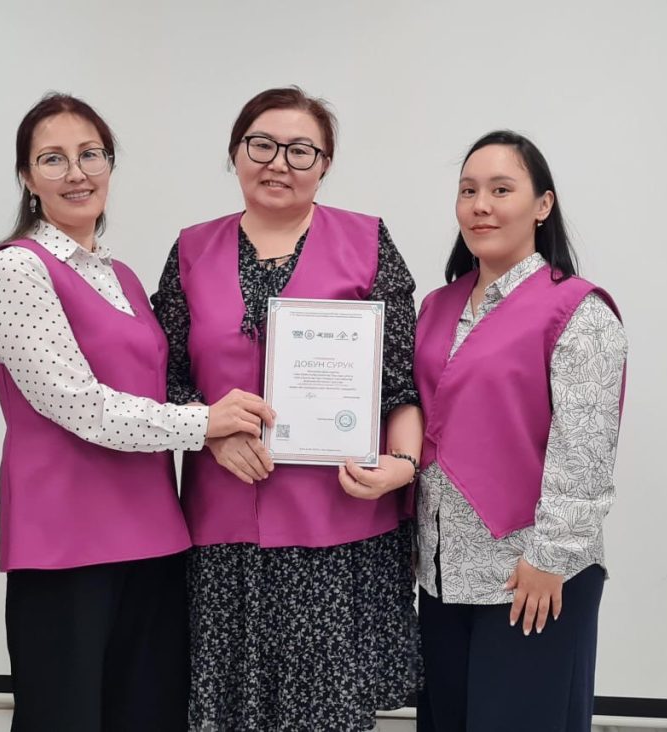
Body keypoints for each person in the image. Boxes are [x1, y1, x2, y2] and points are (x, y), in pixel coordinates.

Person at [0, 93, 272, 731]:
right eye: (52, 159)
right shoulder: (16, 268)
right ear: (27, 176)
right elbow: (77, 403)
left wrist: (221, 425)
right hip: (65, 544)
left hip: (154, 535)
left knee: (151, 717)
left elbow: (160, 387)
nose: (76, 172)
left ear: (109, 165)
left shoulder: (125, 278)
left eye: (91, 155)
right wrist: (205, 424)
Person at [152, 86, 423, 731]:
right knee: (228, 710)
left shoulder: (367, 243)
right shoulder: (191, 250)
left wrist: (404, 464)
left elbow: (401, 383)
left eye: (301, 151)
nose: (279, 163)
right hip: (224, 531)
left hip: (338, 525)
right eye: (262, 145)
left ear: (324, 164)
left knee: (325, 713)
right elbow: (167, 378)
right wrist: (211, 433)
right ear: (235, 153)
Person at [413, 130, 628, 731]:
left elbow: (584, 450)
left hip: (528, 575)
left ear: (542, 205)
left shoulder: (578, 310)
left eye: (501, 190)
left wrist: (549, 559)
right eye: (468, 191)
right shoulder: (436, 306)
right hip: (440, 574)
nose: (481, 205)